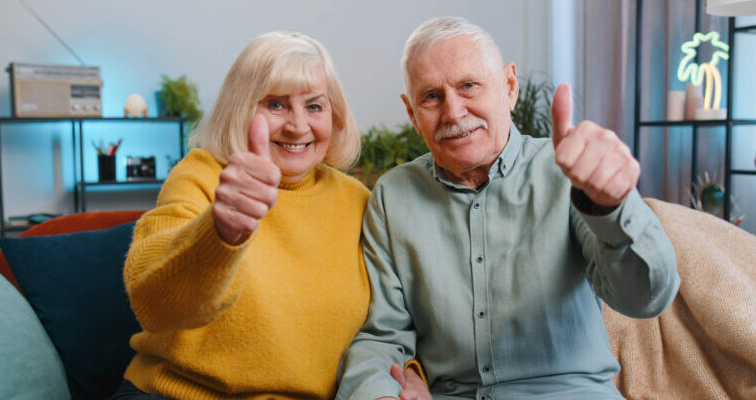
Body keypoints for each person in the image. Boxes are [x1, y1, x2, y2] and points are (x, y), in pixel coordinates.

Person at [336, 17, 681, 400]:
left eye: (469, 86)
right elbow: (382, 336)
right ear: (412, 114)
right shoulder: (392, 195)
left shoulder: (566, 172)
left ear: (510, 86)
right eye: (431, 97)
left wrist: (613, 208)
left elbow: (645, 297)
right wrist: (377, 391)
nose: (453, 112)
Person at [110, 31, 426, 399]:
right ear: (240, 108)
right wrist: (219, 233)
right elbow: (153, 301)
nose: (297, 125)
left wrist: (408, 371)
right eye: (276, 105)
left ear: (335, 115)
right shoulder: (202, 175)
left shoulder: (357, 200)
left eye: (314, 106)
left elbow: (396, 316)